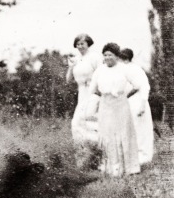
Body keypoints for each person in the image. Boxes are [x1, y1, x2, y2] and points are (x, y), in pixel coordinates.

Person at [87, 43, 141, 177]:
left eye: (110, 55)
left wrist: (123, 96)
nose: (107, 58)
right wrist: (105, 96)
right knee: (107, 135)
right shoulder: (100, 70)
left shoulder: (124, 69)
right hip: (106, 105)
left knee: (123, 134)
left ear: (117, 56)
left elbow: (137, 85)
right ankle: (111, 168)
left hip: (121, 105)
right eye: (105, 55)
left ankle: (129, 167)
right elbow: (92, 89)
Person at [66, 33, 102, 169]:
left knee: (93, 123)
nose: (80, 46)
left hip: (94, 92)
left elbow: (101, 73)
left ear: (88, 44)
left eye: (83, 43)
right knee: (77, 124)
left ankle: (99, 159)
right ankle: (84, 159)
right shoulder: (76, 59)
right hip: (82, 94)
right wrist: (70, 66)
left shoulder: (94, 57)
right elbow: (68, 80)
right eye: (78, 44)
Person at [120, 48, 155, 165]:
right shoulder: (122, 69)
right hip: (128, 102)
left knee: (140, 129)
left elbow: (144, 86)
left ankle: (143, 157)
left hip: (137, 101)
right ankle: (132, 156)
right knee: (131, 129)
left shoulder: (135, 69)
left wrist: (142, 105)